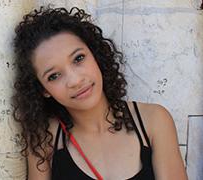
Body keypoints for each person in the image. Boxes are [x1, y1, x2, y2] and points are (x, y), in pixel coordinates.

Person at [12, 6, 187, 180]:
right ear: (43, 89)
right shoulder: (44, 138)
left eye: (78, 58)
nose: (75, 81)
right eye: (54, 76)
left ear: (95, 54)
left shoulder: (153, 121)